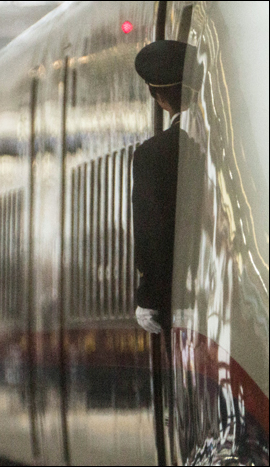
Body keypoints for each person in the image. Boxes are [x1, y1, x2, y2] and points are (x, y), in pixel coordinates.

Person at [132, 40, 194, 334]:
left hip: (183, 303)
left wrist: (149, 297)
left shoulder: (154, 155)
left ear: (159, 98)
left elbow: (152, 230)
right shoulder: (227, 148)